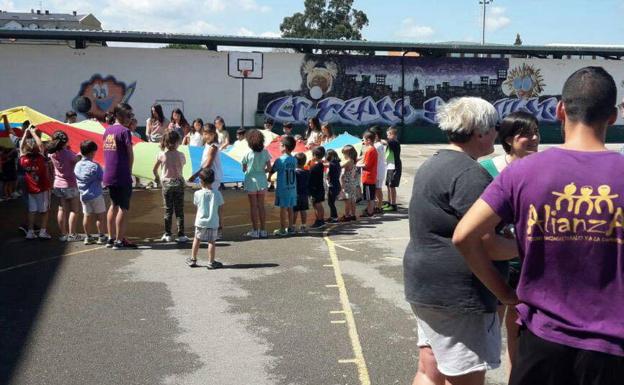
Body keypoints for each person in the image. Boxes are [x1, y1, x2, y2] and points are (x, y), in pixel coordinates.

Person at [454, 67, 624, 385]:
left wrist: (505, 294)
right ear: (613, 116)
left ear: (560, 110)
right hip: (612, 347)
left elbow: (464, 236)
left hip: (542, 340)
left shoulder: (523, 172)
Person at [403, 97, 517, 385]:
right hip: (458, 295)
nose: (497, 133)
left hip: (425, 286)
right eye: (495, 127)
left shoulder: (435, 163)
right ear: (480, 132)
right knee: (464, 376)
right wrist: (529, 248)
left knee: (430, 369)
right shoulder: (469, 174)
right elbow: (487, 244)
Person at [478, 111, 540, 373]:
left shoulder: (543, 168)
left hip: (529, 263)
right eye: (527, 134)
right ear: (509, 139)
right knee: (488, 329)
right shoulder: (486, 169)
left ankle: (515, 378)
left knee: (519, 331)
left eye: (537, 132)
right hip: (496, 262)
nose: (535, 138)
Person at [103, 103, 137, 250]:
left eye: (132, 115)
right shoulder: (125, 131)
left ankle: (111, 238)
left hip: (109, 174)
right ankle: (119, 240)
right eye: (129, 115)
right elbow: (130, 154)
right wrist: (129, 171)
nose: (131, 118)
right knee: (124, 208)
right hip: (121, 174)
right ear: (120, 116)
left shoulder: (107, 131)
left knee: (113, 205)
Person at [189, 123, 224, 239]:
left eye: (209, 134)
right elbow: (205, 163)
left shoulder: (213, 146)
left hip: (212, 178)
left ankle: (217, 230)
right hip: (207, 177)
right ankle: (209, 230)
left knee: (212, 205)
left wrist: (195, 175)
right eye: (204, 134)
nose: (206, 136)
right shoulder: (207, 145)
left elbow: (208, 163)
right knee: (208, 204)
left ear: (214, 134)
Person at [153, 130, 188, 243]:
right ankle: (181, 234)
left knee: (168, 210)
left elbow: (154, 169)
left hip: (166, 184)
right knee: (179, 210)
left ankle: (167, 234)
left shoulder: (161, 155)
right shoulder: (181, 155)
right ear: (177, 142)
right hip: (178, 183)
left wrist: (157, 178)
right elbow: (182, 165)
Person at [48, 130, 82, 242]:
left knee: (61, 210)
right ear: (65, 141)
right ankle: (72, 234)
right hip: (70, 184)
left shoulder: (52, 153)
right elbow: (77, 160)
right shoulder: (69, 154)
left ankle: (63, 234)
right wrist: (80, 154)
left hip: (58, 184)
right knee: (74, 210)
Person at [19, 127, 52, 240]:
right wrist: (33, 133)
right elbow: (41, 145)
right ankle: (42, 231)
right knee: (45, 211)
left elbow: (21, 147)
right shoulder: (41, 158)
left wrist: (25, 133)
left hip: (31, 189)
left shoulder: (23, 159)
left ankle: (30, 232)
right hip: (42, 189)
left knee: (32, 210)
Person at [189, 168, 224, 269]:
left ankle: (193, 259)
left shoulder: (197, 194)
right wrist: (221, 223)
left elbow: (197, 206)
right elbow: (221, 210)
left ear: (201, 181)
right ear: (213, 180)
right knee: (211, 242)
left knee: (197, 239)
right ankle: (211, 262)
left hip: (200, 221)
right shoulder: (217, 194)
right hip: (213, 222)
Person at [74, 140, 108, 245]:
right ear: (92, 152)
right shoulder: (95, 166)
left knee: (87, 215)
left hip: (83, 195)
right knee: (100, 216)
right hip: (96, 195)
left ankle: (88, 237)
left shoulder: (77, 165)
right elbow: (103, 178)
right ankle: (101, 236)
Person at [241, 129, 271, 239]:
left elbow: (244, 169)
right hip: (262, 179)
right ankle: (263, 230)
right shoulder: (266, 152)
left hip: (250, 180)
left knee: (253, 206)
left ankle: (255, 230)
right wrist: (262, 171)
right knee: (261, 206)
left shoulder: (247, 154)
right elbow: (269, 168)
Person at [269, 135, 297, 236]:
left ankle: (282, 229)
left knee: (283, 209)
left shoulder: (280, 160)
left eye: (280, 145)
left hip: (283, 188)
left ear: (284, 147)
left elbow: (272, 170)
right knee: (290, 208)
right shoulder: (294, 160)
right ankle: (290, 227)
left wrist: (268, 177)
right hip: (292, 188)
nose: (279, 147)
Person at [357, 131, 378, 218]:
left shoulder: (370, 150)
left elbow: (366, 165)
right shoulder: (370, 150)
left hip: (369, 177)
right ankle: (369, 210)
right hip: (369, 177)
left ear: (368, 140)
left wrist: (357, 165)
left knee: (370, 197)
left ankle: (370, 212)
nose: (363, 141)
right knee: (369, 196)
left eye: (364, 139)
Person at [383, 127, 402, 212]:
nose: (387, 136)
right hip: (390, 166)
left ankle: (393, 205)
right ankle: (389, 202)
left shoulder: (395, 142)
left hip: (395, 167)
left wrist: (378, 140)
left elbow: (387, 142)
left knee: (392, 186)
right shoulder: (391, 142)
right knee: (388, 185)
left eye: (388, 134)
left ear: (392, 134)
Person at [339, 145, 358, 222]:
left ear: (348, 154)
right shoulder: (353, 161)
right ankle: (353, 215)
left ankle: (347, 215)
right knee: (352, 199)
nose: (343, 155)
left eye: (344, 154)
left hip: (347, 183)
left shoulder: (348, 161)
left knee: (347, 200)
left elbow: (339, 166)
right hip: (352, 182)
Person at [370, 126, 387, 213]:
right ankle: (376, 205)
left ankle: (379, 206)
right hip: (376, 169)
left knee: (378, 188)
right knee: (375, 188)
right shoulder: (377, 144)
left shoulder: (377, 146)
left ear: (376, 135)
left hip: (379, 170)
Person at [308, 146, 326, 229]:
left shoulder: (316, 166)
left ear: (315, 155)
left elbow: (310, 175)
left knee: (317, 204)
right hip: (318, 187)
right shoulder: (320, 164)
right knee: (317, 204)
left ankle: (320, 220)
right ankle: (320, 219)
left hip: (315, 188)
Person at [293, 152, 310, 233]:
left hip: (295, 194)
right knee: (303, 210)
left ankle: (292, 225)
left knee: (295, 210)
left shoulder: (294, 172)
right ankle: (303, 225)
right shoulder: (307, 172)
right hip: (304, 194)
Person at [325, 149, 341, 223]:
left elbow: (330, 174)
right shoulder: (337, 162)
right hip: (336, 184)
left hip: (333, 185)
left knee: (331, 202)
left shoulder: (332, 164)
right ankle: (332, 216)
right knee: (330, 202)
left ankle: (335, 217)